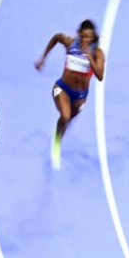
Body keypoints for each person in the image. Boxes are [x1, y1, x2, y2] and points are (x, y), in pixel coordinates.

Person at [35, 20, 105, 169]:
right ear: (79, 34)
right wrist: (43, 58)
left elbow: (100, 75)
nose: (86, 39)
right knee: (65, 116)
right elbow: (56, 37)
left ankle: (58, 134)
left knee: (66, 121)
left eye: (89, 37)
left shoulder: (97, 52)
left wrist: (90, 57)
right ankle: (56, 144)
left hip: (80, 97)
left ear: (93, 37)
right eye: (84, 36)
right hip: (61, 88)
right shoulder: (70, 43)